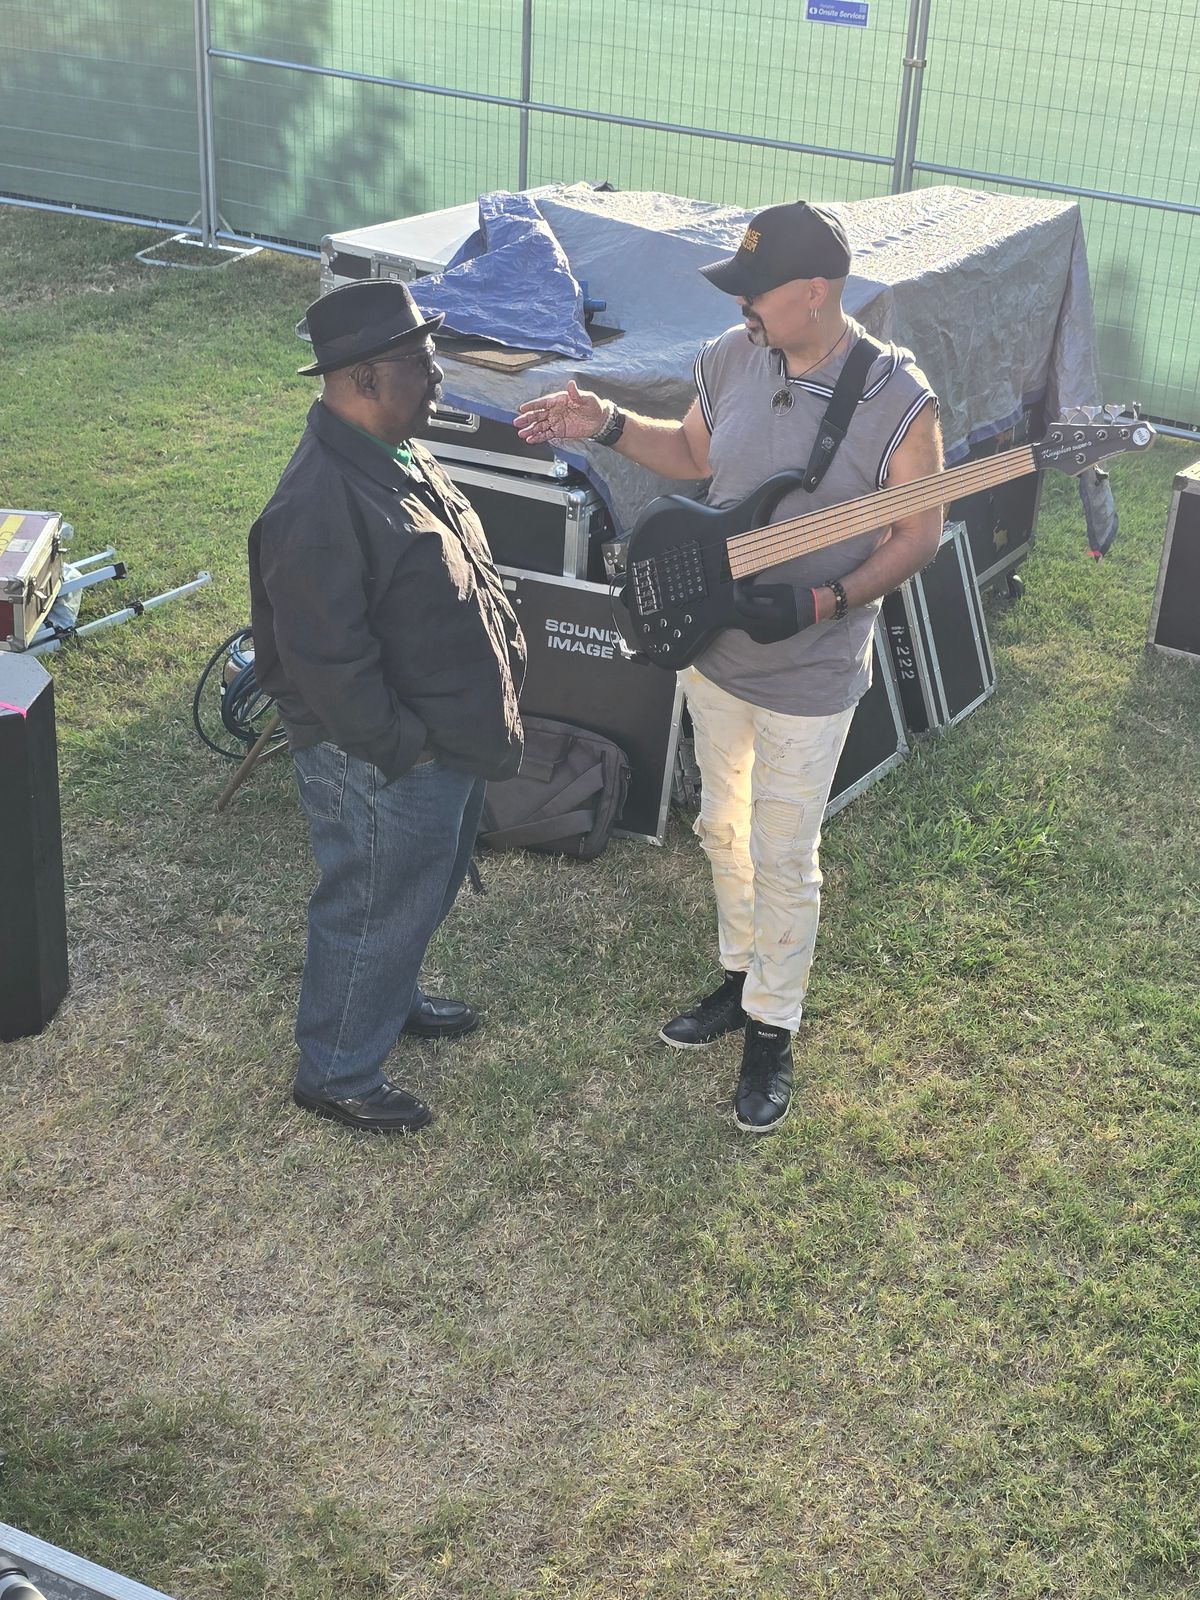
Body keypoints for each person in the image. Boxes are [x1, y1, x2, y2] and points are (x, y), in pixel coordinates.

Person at [516, 200, 943, 1134]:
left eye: (756, 291)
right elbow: (691, 454)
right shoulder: (731, 356)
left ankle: (773, 1028)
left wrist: (828, 601)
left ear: (816, 292)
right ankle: (742, 976)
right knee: (721, 828)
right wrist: (605, 422)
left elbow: (919, 532)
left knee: (784, 855)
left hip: (811, 674)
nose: (740, 306)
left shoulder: (896, 397)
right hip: (714, 653)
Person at [249, 280, 526, 1134]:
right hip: (383, 757)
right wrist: (404, 746)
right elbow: (327, 663)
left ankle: (387, 996)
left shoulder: (397, 449)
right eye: (420, 363)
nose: (437, 377)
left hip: (438, 736)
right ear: (365, 378)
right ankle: (337, 1069)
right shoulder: (314, 504)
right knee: (372, 901)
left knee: (418, 887)